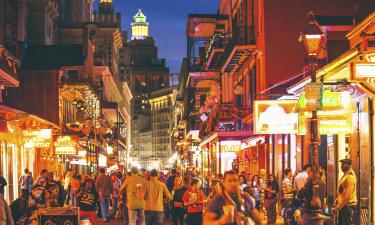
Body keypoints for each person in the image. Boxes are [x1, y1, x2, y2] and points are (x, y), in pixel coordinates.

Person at [332, 159, 357, 225]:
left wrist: (338, 207)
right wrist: (337, 201)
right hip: (344, 206)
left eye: (343, 164)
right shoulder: (346, 175)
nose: (341, 166)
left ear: (349, 165)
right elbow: (342, 192)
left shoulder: (350, 177)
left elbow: (347, 195)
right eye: (341, 164)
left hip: (347, 206)